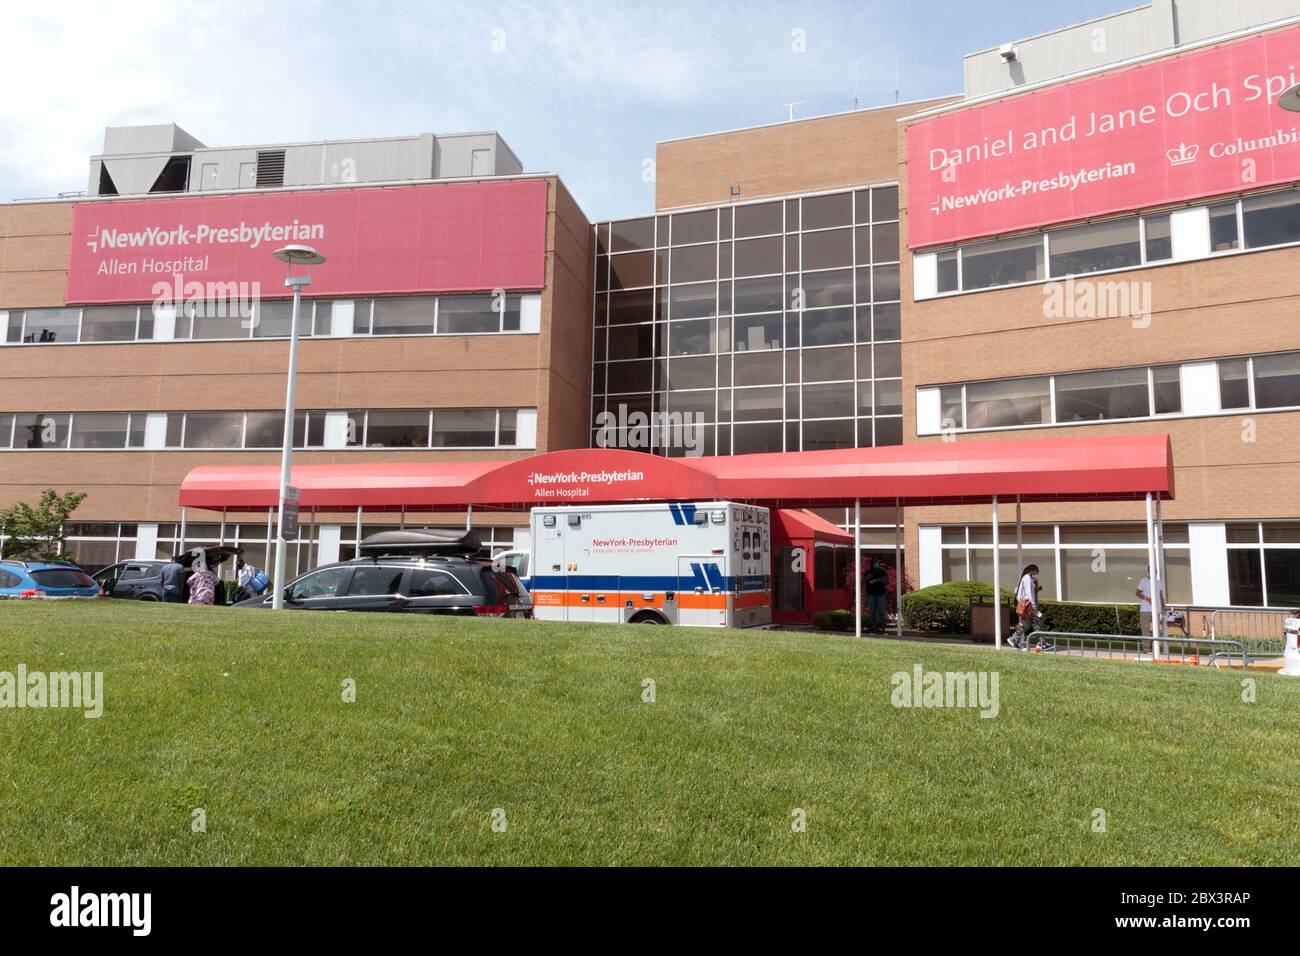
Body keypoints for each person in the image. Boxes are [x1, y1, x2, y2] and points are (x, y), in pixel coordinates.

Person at [1011, 564, 1047, 650]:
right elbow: (1028, 593)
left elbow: (1020, 591)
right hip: (1028, 604)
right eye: (1036, 572)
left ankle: (1015, 641)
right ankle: (1042, 643)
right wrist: (1034, 605)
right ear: (1032, 570)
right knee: (1035, 622)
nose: (1036, 574)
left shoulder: (1026, 578)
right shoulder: (1027, 578)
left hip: (1027, 604)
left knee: (1025, 623)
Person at [1136, 569, 1166, 654]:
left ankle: (1155, 648)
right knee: (1145, 630)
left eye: (1155, 571)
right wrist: (1146, 598)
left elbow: (1161, 596)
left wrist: (1164, 607)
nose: (1153, 572)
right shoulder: (1143, 580)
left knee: (1157, 630)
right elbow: (1137, 593)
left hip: (1157, 609)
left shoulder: (1158, 582)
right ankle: (1147, 649)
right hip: (1145, 609)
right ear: (1148, 571)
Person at [864, 558, 889, 634]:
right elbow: (864, 581)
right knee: (872, 612)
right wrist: (867, 578)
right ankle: (874, 629)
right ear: (871, 564)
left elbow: (887, 582)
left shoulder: (882, 572)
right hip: (871, 594)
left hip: (880, 594)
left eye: (877, 563)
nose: (876, 564)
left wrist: (882, 580)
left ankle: (883, 629)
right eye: (874, 563)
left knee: (881, 611)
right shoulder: (868, 572)